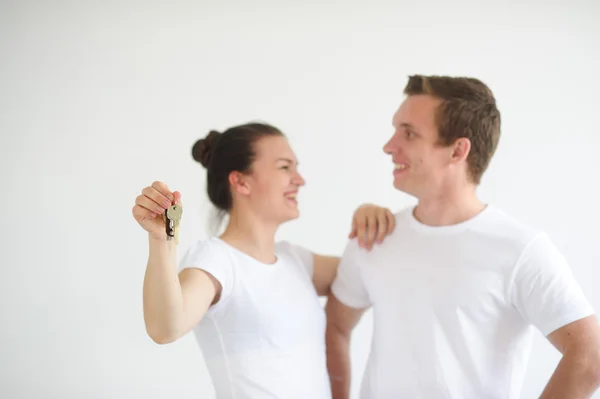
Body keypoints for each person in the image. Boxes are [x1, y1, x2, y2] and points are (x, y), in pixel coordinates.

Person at [326, 75, 600, 399]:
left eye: (409, 133)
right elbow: (336, 327)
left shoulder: (520, 249)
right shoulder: (375, 236)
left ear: (458, 150)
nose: (389, 146)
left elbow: (590, 357)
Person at [131, 123, 395, 399]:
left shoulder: (297, 261)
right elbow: (165, 327)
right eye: (285, 167)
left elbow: (371, 272)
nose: (300, 179)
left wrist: (369, 215)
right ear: (241, 181)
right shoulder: (217, 259)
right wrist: (163, 241)